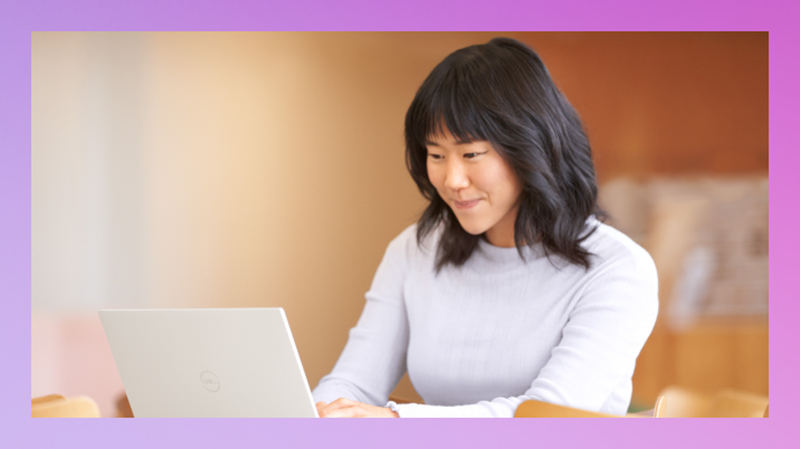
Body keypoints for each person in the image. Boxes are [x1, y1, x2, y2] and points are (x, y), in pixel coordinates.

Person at [312, 37, 658, 418]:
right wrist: (319, 414)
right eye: (436, 155)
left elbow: (544, 418)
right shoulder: (414, 251)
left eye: (471, 154)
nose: (452, 180)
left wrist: (398, 421)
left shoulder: (618, 269)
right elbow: (353, 382)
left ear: (531, 147)